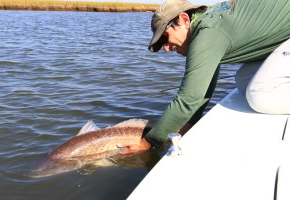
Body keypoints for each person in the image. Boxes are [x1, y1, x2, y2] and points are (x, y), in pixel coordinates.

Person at [118, 0, 290, 152]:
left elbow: (189, 97)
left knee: (259, 95)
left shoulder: (207, 33)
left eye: (164, 37)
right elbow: (202, 90)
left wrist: (149, 142)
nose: (165, 48)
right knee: (244, 80)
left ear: (184, 20)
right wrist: (188, 125)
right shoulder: (208, 26)